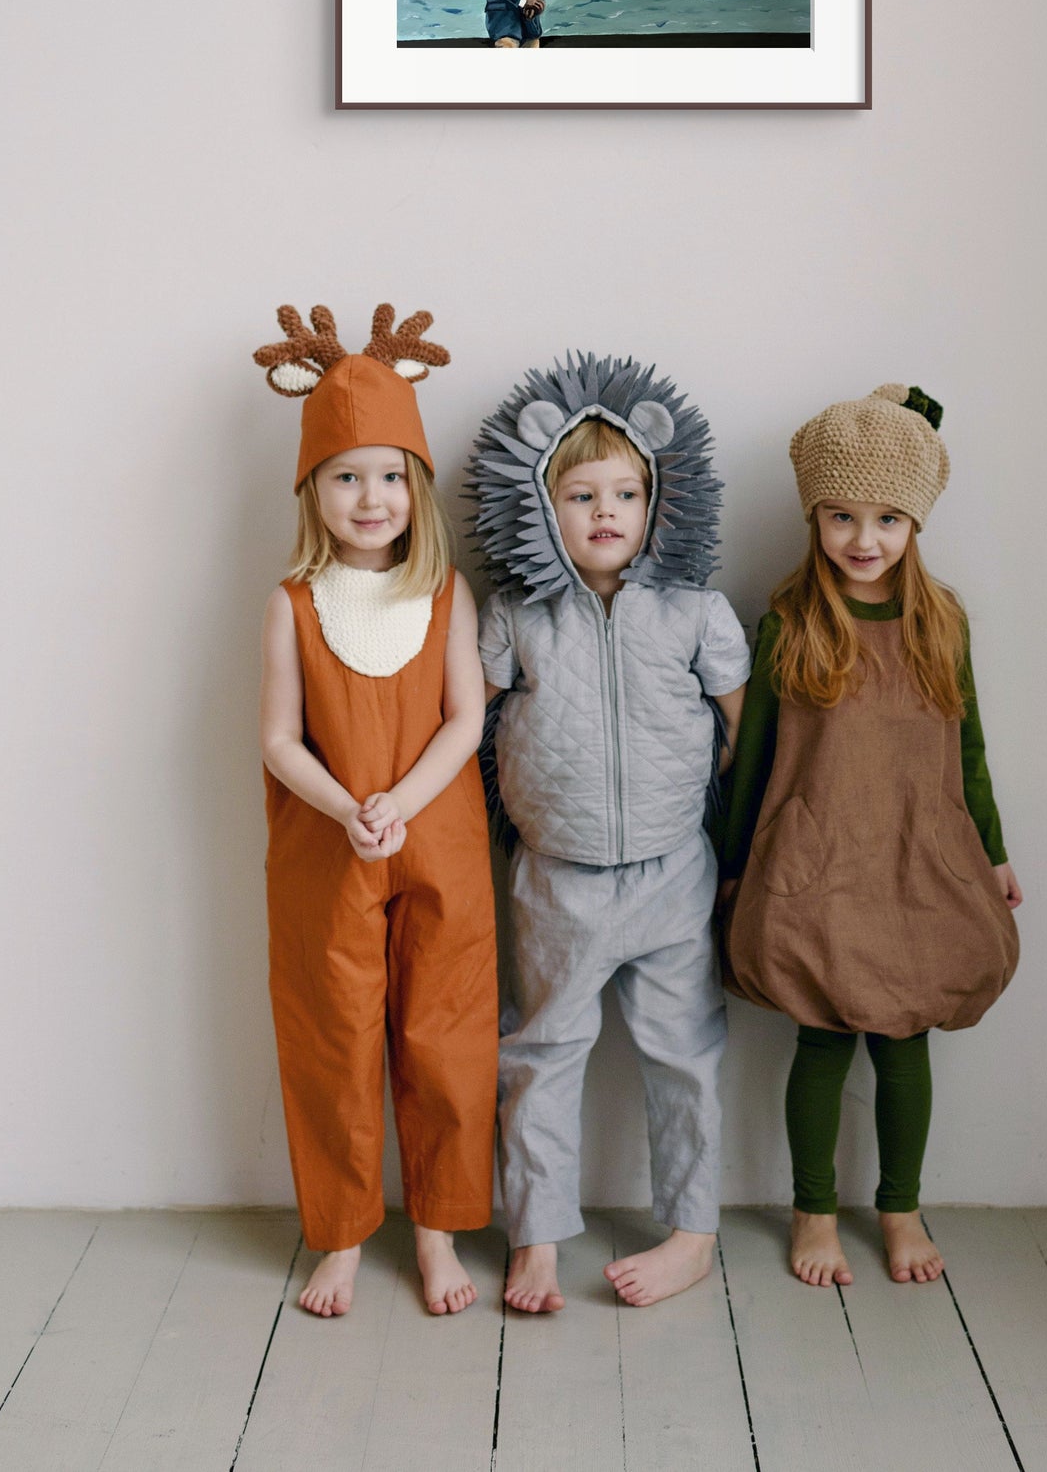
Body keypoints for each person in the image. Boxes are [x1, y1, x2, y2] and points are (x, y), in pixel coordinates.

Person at [718, 385, 1022, 1289]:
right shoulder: (790, 621)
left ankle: (900, 1206)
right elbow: (754, 756)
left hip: (915, 858)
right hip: (815, 861)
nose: (863, 537)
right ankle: (813, 1210)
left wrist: (994, 850)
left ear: (914, 522)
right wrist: (732, 869)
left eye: (887, 517)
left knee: (902, 1039)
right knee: (820, 1037)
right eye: (842, 516)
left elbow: (966, 746)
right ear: (814, 515)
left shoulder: (942, 621)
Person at [468, 355, 751, 1310]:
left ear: (659, 500)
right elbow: (470, 728)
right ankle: (537, 1235)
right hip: (557, 879)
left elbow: (744, 734)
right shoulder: (516, 614)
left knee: (686, 1055)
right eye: (579, 492)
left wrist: (736, 846)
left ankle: (693, 1230)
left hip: (674, 872)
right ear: (538, 504)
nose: (604, 511)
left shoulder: (695, 611)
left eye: (625, 491)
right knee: (541, 1054)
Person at [253, 301, 498, 1319]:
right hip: (327, 851)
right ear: (313, 487)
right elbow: (276, 738)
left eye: (390, 473)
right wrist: (349, 805)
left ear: (417, 487)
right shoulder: (291, 600)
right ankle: (344, 1234)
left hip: (438, 840)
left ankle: (437, 1231)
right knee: (334, 1039)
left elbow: (466, 718)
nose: (371, 494)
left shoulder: (444, 593)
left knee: (444, 1035)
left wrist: (398, 799)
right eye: (347, 474)